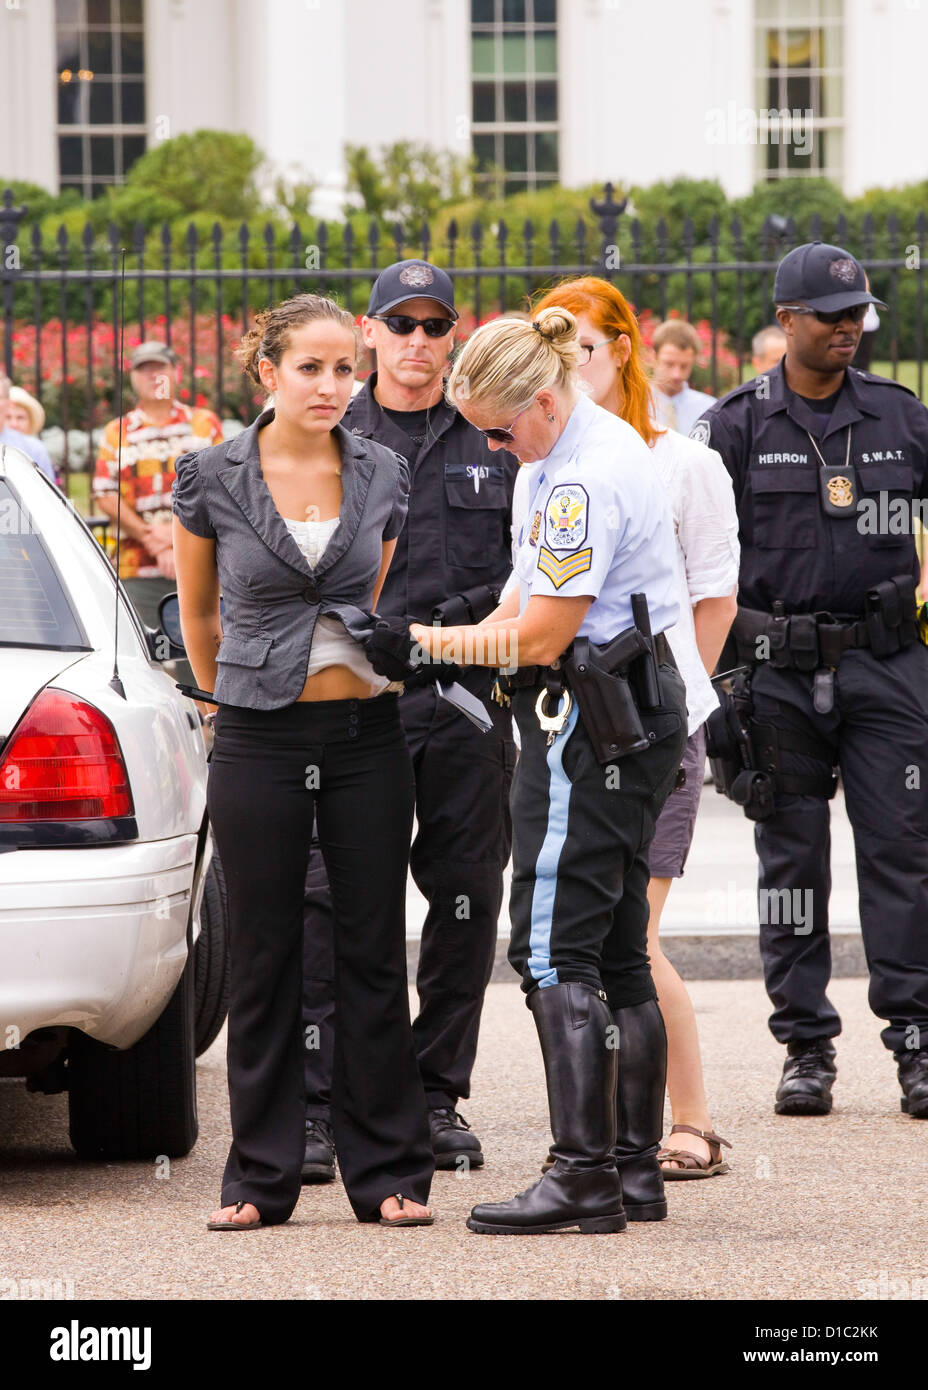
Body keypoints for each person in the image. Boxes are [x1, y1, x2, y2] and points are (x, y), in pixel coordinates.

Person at [374, 306, 688, 1235]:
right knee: (620, 945)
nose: (496, 448)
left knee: (554, 947)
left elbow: (544, 631)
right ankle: (629, 1170)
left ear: (544, 399)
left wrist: (422, 645)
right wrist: (442, 636)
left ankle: (582, 1175)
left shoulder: (580, 478)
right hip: (629, 703)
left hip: (589, 713)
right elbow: (522, 590)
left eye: (503, 431)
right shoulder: (575, 447)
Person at [171, 293, 435, 1230]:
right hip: (257, 736)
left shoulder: (383, 470)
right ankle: (259, 1176)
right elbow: (200, 615)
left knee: (370, 948)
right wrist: (230, 706)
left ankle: (392, 1171)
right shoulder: (211, 474)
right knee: (265, 949)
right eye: (310, 368)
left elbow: (366, 595)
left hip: (367, 734)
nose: (332, 386)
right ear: (266, 373)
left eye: (342, 369)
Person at [692, 241, 928, 1121]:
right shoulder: (734, 426)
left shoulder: (902, 418)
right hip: (775, 676)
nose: (847, 329)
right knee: (790, 861)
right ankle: (805, 1046)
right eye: (829, 316)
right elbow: (698, 565)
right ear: (785, 320)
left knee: (903, 858)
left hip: (888, 665)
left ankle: (916, 1042)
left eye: (857, 314)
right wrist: (718, 681)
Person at [299, 260, 519, 1182]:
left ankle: (436, 1095)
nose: (420, 343)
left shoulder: (494, 433)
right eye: (402, 324)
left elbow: (528, 563)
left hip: (464, 700)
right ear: (370, 329)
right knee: (331, 900)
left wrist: (438, 630)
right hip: (352, 700)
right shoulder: (325, 432)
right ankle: (319, 1106)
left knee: (465, 900)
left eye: (436, 326)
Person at [531, 277, 740, 1190]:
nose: (566, 361)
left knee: (633, 939)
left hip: (652, 726)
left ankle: (682, 1123)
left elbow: (715, 597)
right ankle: (622, 1149)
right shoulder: (551, 457)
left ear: (622, 348)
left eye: (580, 343)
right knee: (614, 936)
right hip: (573, 727)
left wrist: (655, 702)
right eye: (553, 345)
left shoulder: (681, 462)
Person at [94, 341, 222, 636]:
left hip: (201, 562)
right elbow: (104, 493)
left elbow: (220, 486)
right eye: (144, 369)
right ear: (133, 378)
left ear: (175, 372)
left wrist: (177, 539)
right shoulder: (117, 432)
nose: (153, 376)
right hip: (137, 568)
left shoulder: (204, 424)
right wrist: (154, 539)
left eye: (160, 368)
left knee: (202, 663)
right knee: (145, 663)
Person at [650, 319, 715, 435]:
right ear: (654, 357)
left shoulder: (709, 408)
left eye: (684, 366)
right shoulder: (633, 406)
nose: (677, 375)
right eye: (669, 364)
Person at [0, 375, 57, 483]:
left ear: (8, 403)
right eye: (9, 418)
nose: (14, 423)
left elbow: (46, 495)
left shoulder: (34, 448)